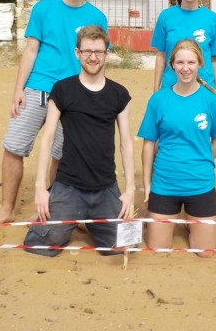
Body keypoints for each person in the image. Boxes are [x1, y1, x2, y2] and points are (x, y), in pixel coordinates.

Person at [0, 0, 107, 224]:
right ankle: (7, 207)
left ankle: (49, 208)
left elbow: (98, 59)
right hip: (37, 88)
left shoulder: (97, 17)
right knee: (14, 147)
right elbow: (31, 50)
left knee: (61, 156)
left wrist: (96, 97)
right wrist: (18, 89)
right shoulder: (43, 9)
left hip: (74, 94)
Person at [23, 25, 135, 256]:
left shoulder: (119, 94)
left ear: (106, 54)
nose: (92, 57)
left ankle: (89, 220)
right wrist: (40, 189)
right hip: (69, 186)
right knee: (44, 244)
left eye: (98, 51)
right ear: (77, 53)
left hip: (105, 187)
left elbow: (126, 142)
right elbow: (48, 138)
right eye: (87, 51)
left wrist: (130, 189)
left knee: (125, 246)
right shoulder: (62, 89)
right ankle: (60, 212)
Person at [138, 39, 216, 255]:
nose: (185, 68)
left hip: (200, 184)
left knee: (205, 252)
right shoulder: (158, 100)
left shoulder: (213, 101)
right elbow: (148, 144)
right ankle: (165, 217)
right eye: (180, 63)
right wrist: (148, 184)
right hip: (165, 183)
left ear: (199, 64)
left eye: (191, 62)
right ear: (172, 65)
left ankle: (191, 219)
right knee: (157, 250)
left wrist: (204, 162)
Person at [152, 0, 216, 94]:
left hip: (204, 89)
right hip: (171, 88)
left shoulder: (211, 18)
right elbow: (161, 55)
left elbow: (215, 59)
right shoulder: (166, 16)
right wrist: (155, 90)